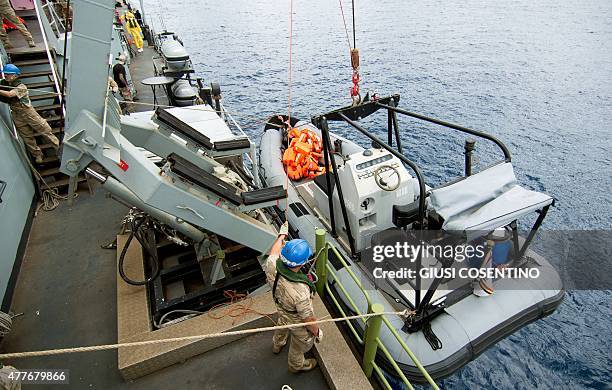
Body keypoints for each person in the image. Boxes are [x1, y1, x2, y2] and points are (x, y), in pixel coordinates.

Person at [266, 222, 322, 373]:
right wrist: (317, 332)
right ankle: (296, 366)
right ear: (303, 262)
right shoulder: (301, 291)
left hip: (282, 310)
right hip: (296, 321)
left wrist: (281, 236)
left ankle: (277, 345)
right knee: (299, 346)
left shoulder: (271, 266)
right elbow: (308, 319)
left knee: (282, 325)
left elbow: (274, 252)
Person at [0, 64, 59, 163]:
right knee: (27, 136)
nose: (5, 76)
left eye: (7, 74)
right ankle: (37, 155)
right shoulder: (5, 83)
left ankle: (58, 149)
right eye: (5, 74)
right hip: (16, 113)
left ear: (14, 76)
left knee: (45, 130)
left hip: (28, 113)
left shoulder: (21, 87)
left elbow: (10, 95)